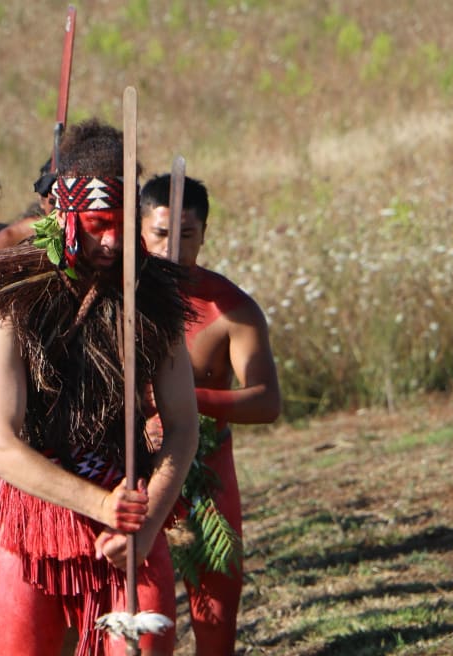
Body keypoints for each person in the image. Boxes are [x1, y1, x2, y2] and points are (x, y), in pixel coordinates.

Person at [0, 119, 199, 656]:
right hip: (30, 516)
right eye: (95, 224)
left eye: (121, 224)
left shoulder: (154, 299)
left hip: (132, 506)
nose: (111, 241)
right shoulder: (12, 301)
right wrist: (100, 505)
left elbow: (183, 425)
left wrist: (145, 519)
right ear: (62, 216)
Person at [140, 174, 281, 656]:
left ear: (204, 233)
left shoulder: (233, 310)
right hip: (130, 472)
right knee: (145, 619)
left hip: (206, 469)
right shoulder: (112, 300)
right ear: (139, 229)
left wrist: (186, 401)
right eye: (160, 234)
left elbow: (265, 401)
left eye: (186, 236)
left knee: (215, 612)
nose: (172, 250)